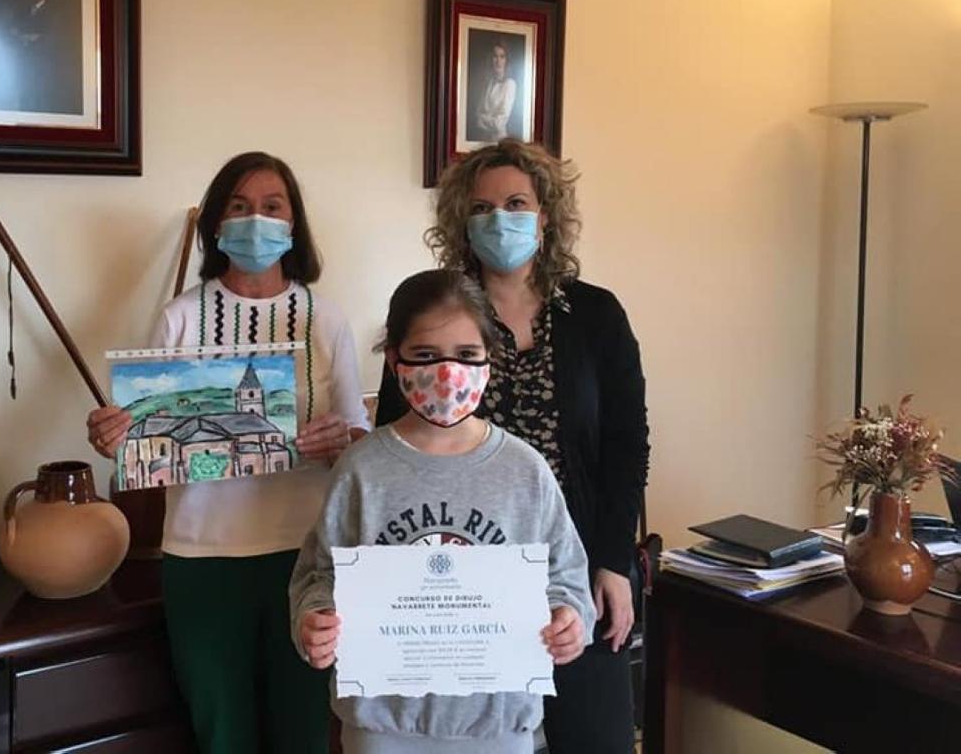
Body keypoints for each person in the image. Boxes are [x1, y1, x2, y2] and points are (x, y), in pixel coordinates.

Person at [86, 151, 371, 754]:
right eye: (238, 207)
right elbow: (144, 437)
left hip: (306, 557)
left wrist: (338, 441)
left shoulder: (326, 318)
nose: (255, 221)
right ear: (215, 224)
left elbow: (362, 443)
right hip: (201, 557)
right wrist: (115, 436)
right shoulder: (180, 317)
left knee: (303, 731)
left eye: (272, 207)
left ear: (294, 225)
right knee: (221, 732)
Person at [376, 139, 650, 753]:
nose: (499, 218)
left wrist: (611, 562)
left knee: (596, 738)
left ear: (544, 215)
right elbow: (397, 444)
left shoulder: (597, 315)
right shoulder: (437, 315)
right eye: (480, 208)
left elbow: (627, 448)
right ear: (460, 223)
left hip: (576, 574)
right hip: (462, 582)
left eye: (516, 203)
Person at [290, 269, 597, 754]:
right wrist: (315, 619)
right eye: (427, 356)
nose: (449, 373)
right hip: (383, 723)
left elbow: (566, 577)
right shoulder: (362, 471)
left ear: (489, 361)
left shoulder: (524, 471)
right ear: (394, 360)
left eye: (468, 355)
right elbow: (318, 575)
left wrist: (570, 620)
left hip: (498, 722)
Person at [471, 40, 518, 140]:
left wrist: (483, 118)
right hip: (483, 139)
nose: (498, 61)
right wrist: (487, 119)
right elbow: (477, 115)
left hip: (499, 140)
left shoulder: (510, 84)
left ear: (506, 60)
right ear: (491, 59)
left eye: (502, 56)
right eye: (495, 56)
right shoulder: (488, 83)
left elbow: (499, 123)